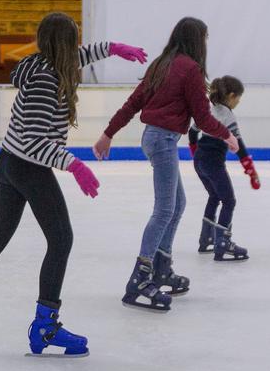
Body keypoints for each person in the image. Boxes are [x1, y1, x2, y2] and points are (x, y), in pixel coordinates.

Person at [0, 12, 147, 357]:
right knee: (61, 239)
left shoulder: (44, 63)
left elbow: (79, 57)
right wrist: (75, 165)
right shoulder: (45, 80)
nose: (78, 49)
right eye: (74, 40)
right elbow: (36, 141)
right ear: (63, 45)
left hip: (10, 162)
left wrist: (113, 48)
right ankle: (45, 326)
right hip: (27, 165)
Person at [93, 17, 238, 312]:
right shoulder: (191, 69)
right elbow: (203, 118)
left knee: (178, 203)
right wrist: (227, 136)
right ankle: (140, 279)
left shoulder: (161, 64)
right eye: (205, 38)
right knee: (164, 210)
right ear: (197, 40)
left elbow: (133, 102)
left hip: (154, 138)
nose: (206, 44)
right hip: (163, 141)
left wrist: (108, 133)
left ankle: (161, 268)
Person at [188, 75, 259, 261]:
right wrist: (251, 170)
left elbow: (192, 131)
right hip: (213, 163)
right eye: (238, 98)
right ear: (231, 96)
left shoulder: (208, 111)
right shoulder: (228, 116)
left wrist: (194, 152)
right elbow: (239, 145)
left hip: (200, 161)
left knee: (214, 196)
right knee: (229, 201)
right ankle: (222, 243)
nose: (238, 102)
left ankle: (206, 239)